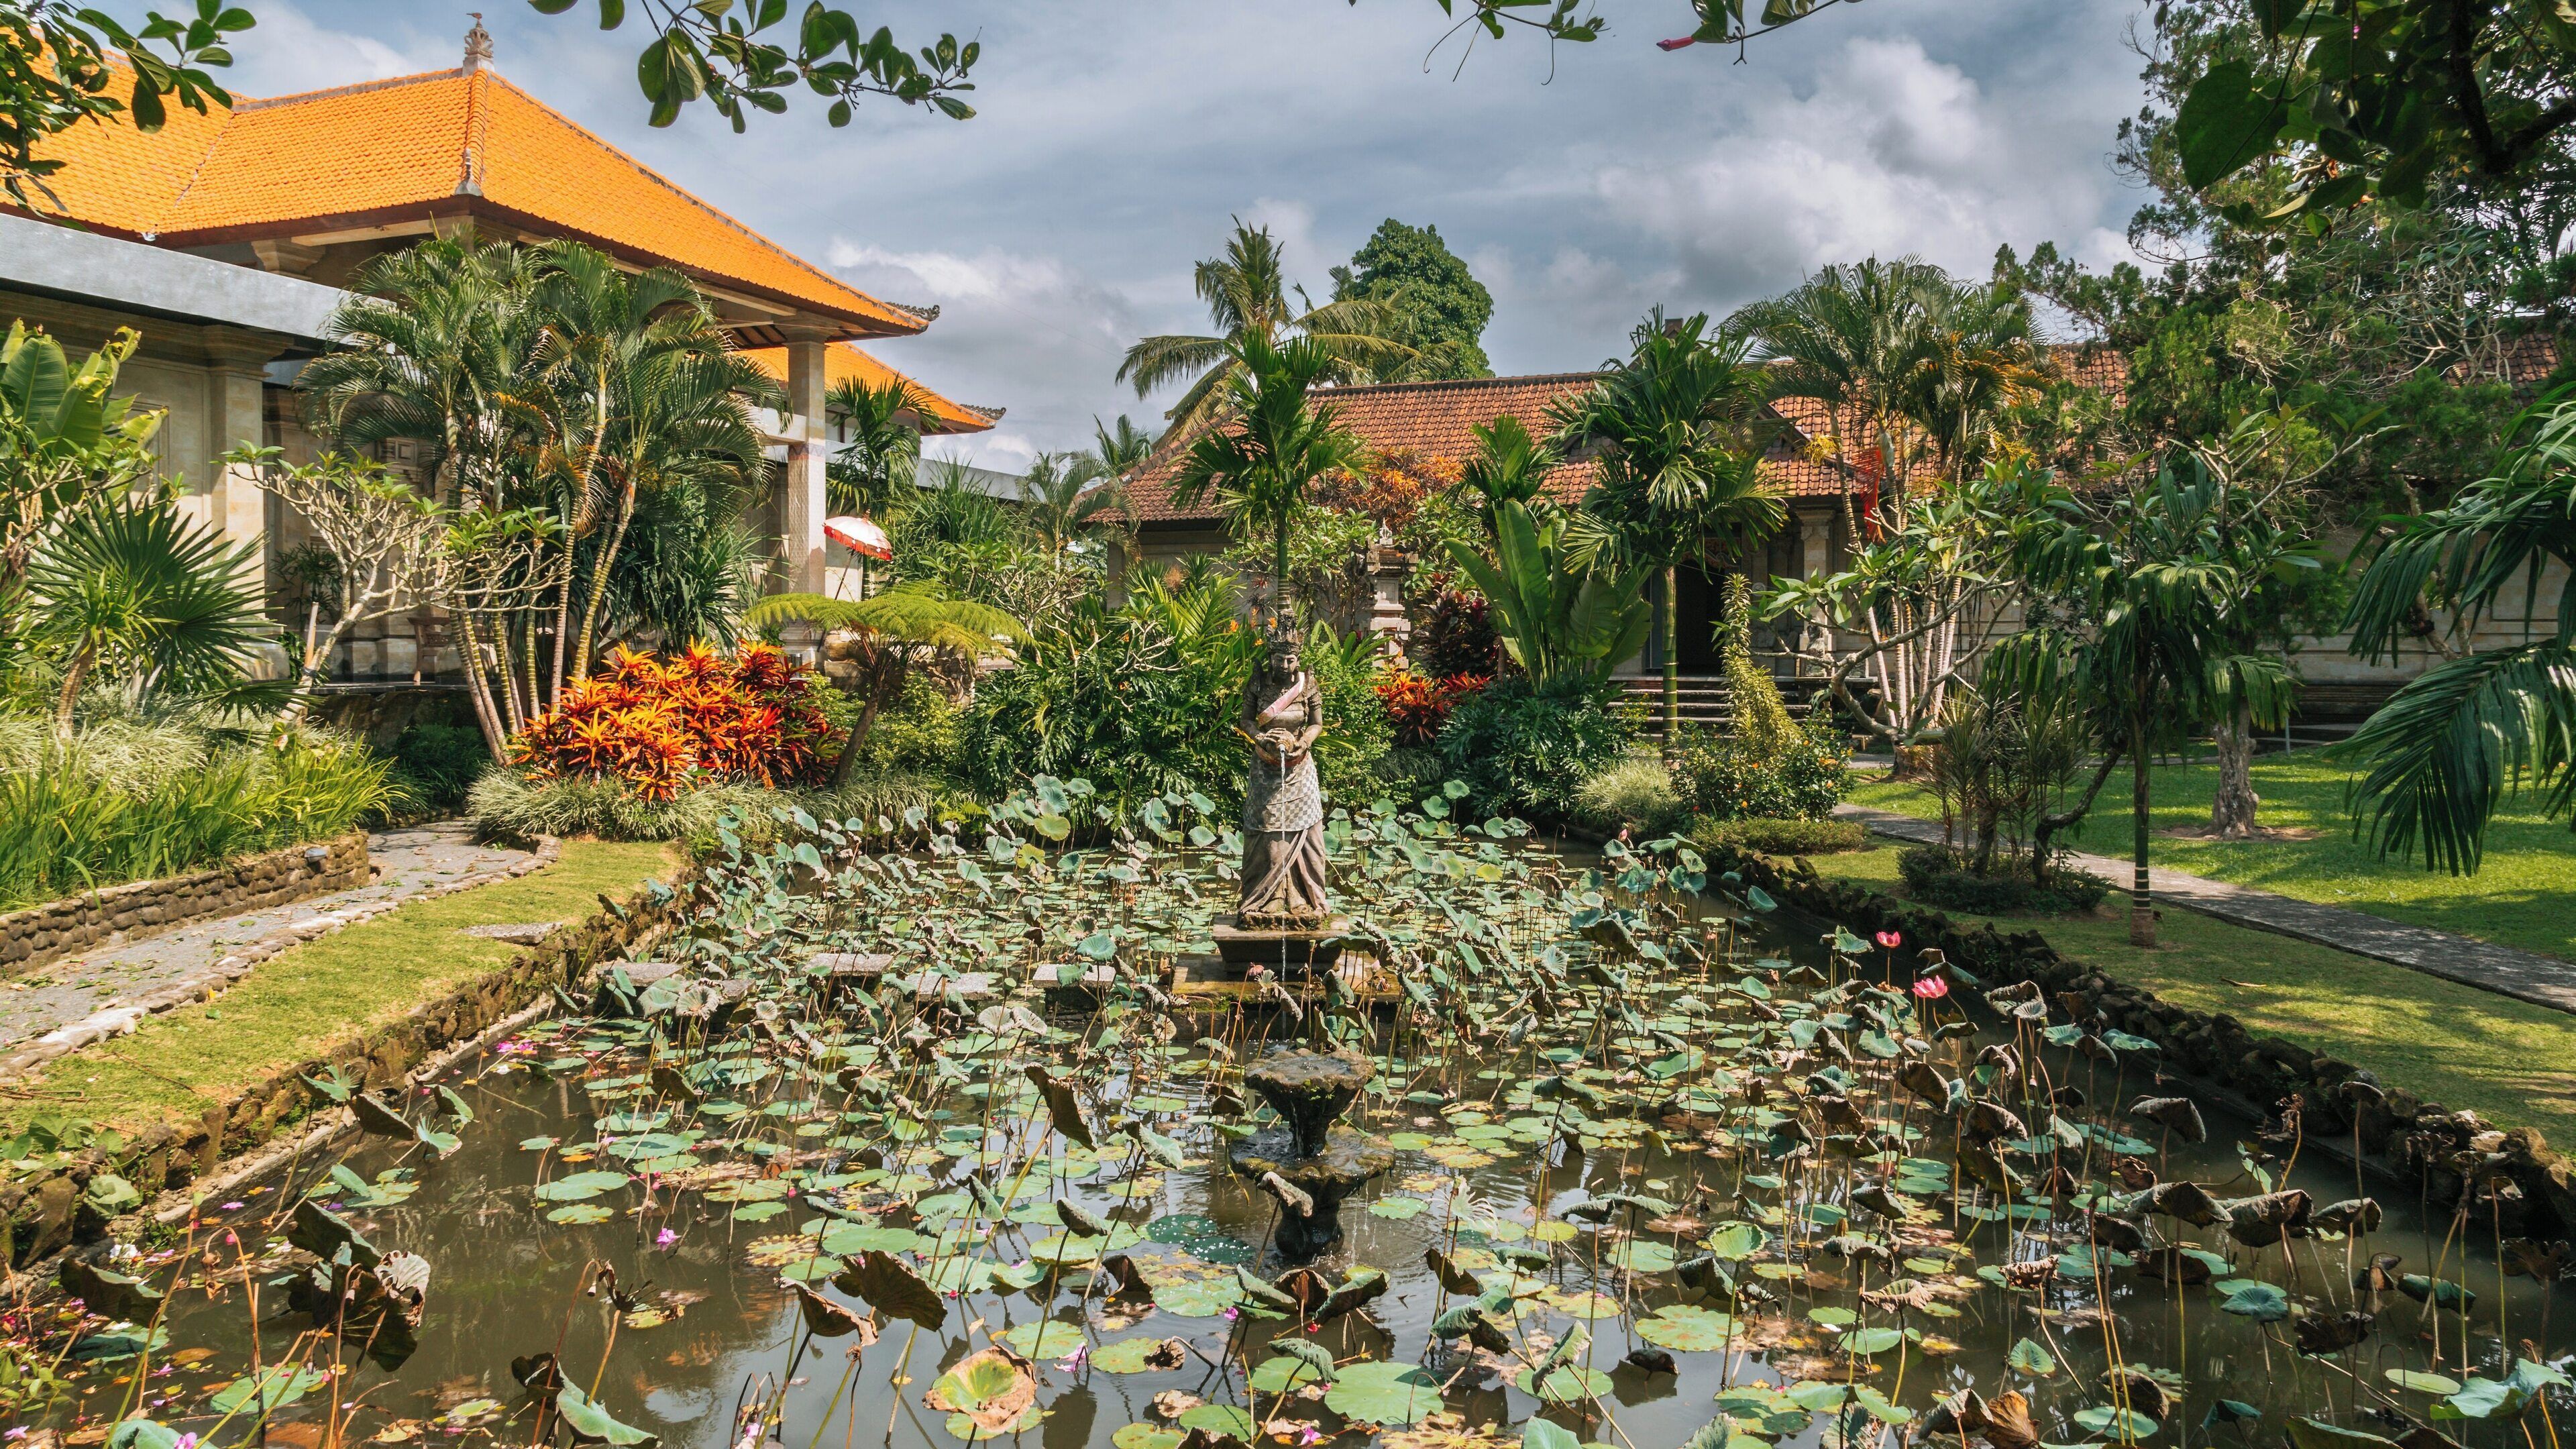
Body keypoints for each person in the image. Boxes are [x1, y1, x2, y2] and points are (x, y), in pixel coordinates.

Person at [1236, 630, 1330, 929]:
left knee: (1306, 831)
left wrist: (1306, 742)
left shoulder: (1307, 684)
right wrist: (1260, 737)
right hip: (1265, 768)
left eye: (1291, 660)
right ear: (1271, 658)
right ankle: (1267, 897)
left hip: (1299, 767)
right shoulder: (1259, 682)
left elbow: (1316, 723)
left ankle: (1302, 897)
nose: (1285, 665)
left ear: (1298, 659)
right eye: (1279, 659)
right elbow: (1246, 719)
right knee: (1266, 828)